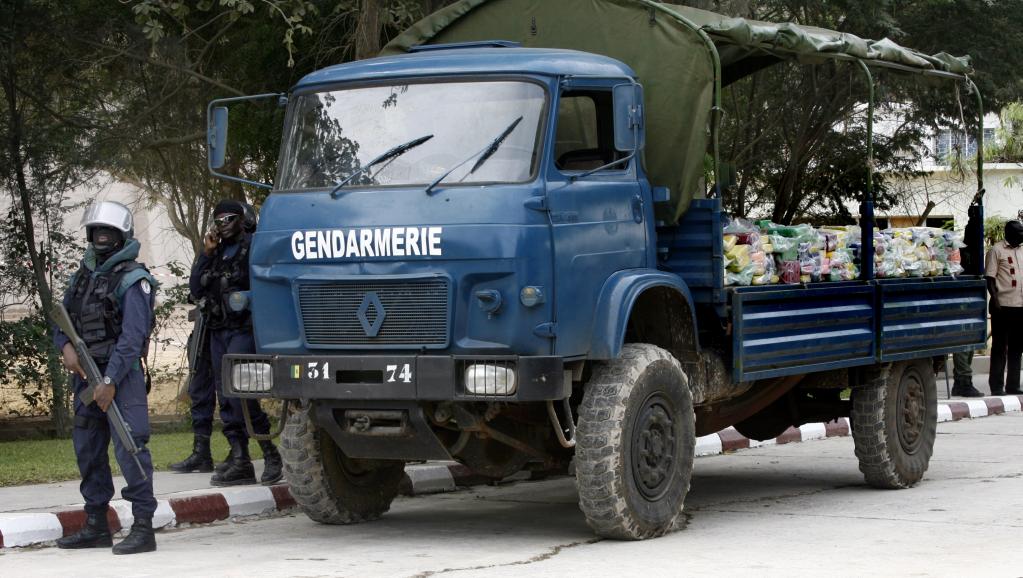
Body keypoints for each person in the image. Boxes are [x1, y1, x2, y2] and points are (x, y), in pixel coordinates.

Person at [53, 201, 158, 555]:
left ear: (120, 235)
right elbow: (61, 317)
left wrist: (109, 381)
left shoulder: (133, 280)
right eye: (95, 232)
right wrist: (65, 347)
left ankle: (144, 527)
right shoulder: (82, 275)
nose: (100, 238)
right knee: (88, 450)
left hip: (119, 377)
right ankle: (97, 524)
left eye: (107, 232)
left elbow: (132, 336)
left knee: (131, 448)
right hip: (86, 374)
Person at [189, 199, 282, 486]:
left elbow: (269, 285)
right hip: (218, 330)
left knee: (242, 393)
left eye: (229, 218)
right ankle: (240, 458)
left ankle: (270, 455)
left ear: (243, 219)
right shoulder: (215, 252)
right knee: (225, 395)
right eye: (218, 220)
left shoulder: (252, 247)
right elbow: (195, 288)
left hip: (244, 330)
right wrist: (206, 254)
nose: (223, 225)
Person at [986, 219, 1023, 396]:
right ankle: (996, 386)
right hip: (1003, 306)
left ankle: (1013, 385)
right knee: (1000, 347)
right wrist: (995, 300)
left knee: (1017, 347)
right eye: (1020, 232)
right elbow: (990, 279)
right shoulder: (996, 250)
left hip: (1020, 306)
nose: (1022, 235)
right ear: (1009, 233)